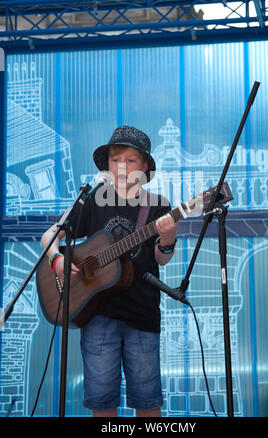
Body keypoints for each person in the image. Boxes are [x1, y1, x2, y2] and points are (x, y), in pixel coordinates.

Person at [41, 126, 179, 417]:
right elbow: (50, 236)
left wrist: (166, 239)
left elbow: (162, 260)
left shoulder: (158, 206)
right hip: (97, 313)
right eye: (116, 159)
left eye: (130, 160)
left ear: (144, 166)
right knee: (102, 404)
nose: (122, 167)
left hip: (142, 313)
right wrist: (57, 260)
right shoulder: (90, 201)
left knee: (147, 403)